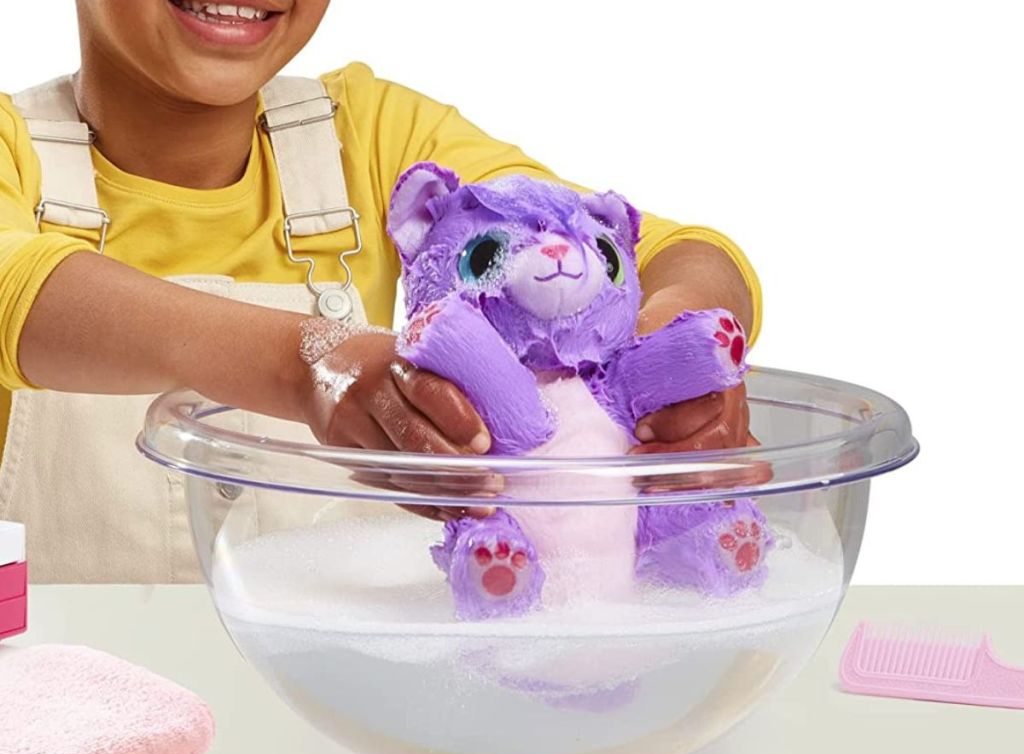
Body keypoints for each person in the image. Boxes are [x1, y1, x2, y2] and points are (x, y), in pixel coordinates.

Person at [0, 0, 761, 583]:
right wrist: (309, 363)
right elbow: (22, 291)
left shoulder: (370, 136)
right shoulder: (12, 150)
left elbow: (662, 252)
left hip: (339, 701)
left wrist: (672, 349)